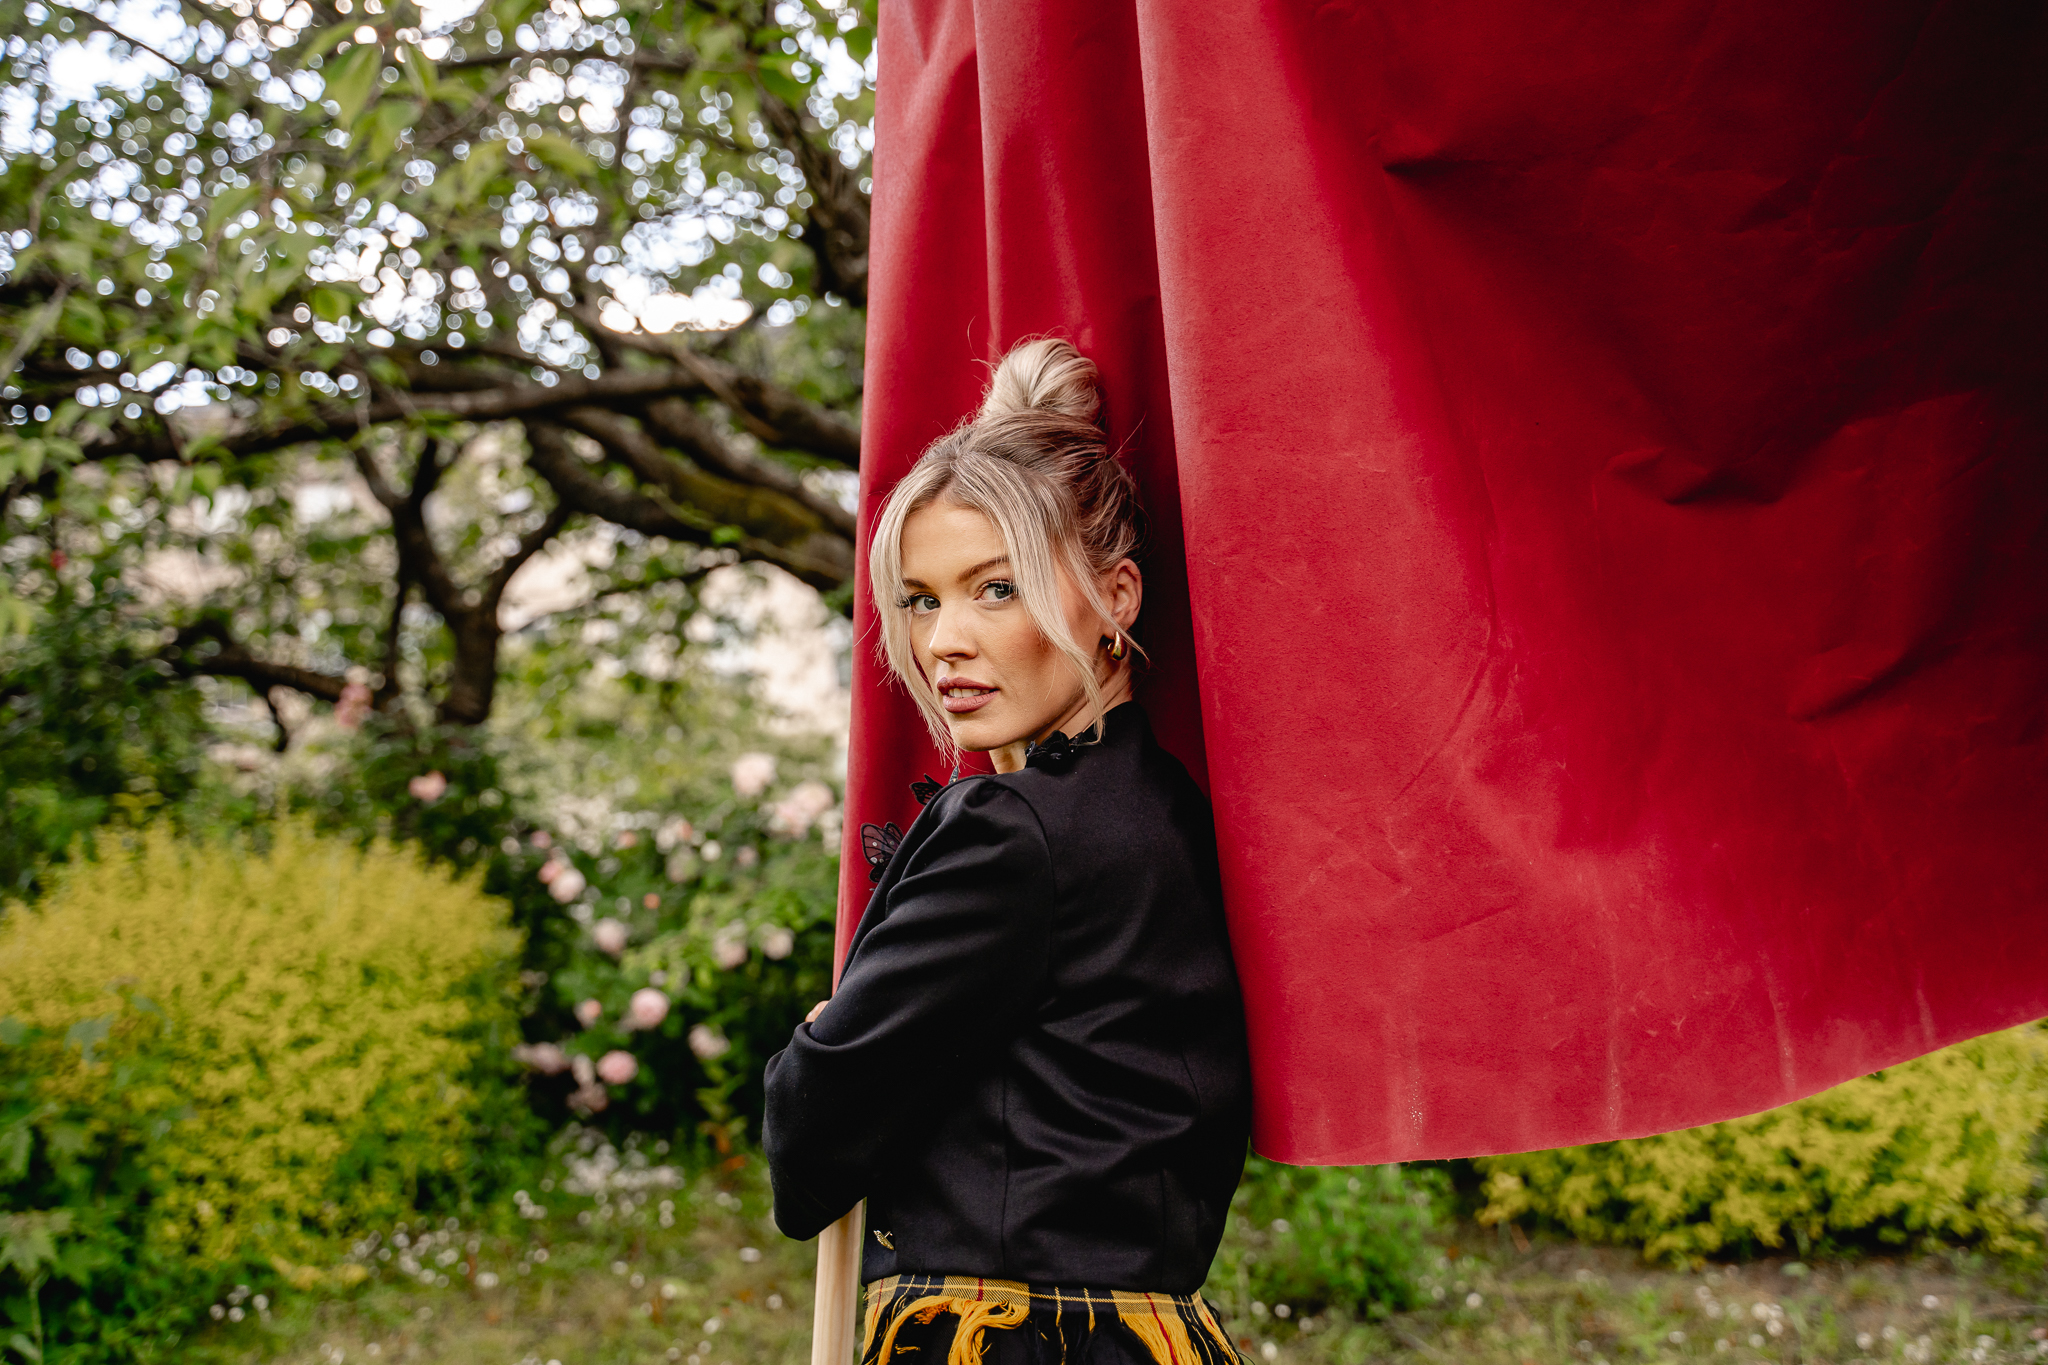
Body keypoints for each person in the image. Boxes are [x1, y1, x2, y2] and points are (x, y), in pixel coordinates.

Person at [763, 338, 1253, 1365]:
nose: (943, 640)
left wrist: (815, 1050)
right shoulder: (1170, 813)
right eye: (921, 598)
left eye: (996, 589)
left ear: (1116, 597)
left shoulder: (1009, 833)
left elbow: (807, 1150)